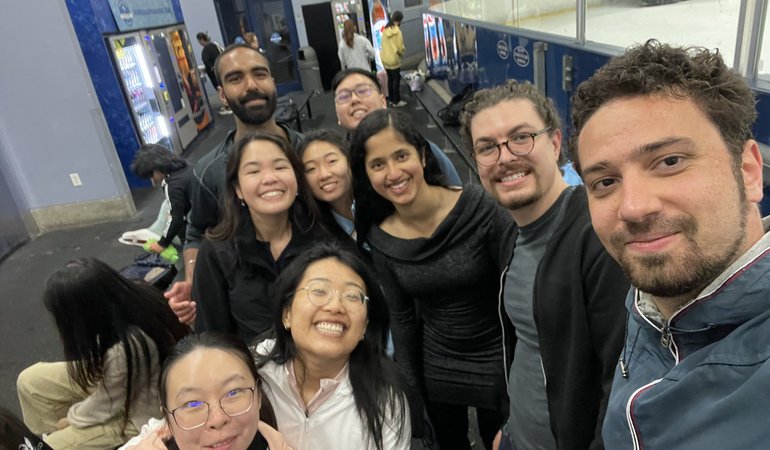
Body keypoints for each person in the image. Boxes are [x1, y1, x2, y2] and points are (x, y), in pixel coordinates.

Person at [569, 39, 770, 449]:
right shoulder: (652, 300)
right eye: (605, 181)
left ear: (748, 171)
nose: (634, 208)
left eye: (670, 161)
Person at [459, 80, 629, 449]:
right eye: (487, 147)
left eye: (521, 137)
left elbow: (620, 382)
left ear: (555, 144)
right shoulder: (510, 231)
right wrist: (509, 423)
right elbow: (524, 346)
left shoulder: (596, 237)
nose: (504, 157)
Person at [350, 109, 513, 449]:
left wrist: (521, 370)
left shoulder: (479, 208)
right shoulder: (380, 239)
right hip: (437, 362)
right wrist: (412, 396)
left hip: (498, 358)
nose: (393, 172)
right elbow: (403, 319)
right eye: (377, 164)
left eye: (401, 155)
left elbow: (515, 292)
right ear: (366, 174)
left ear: (422, 155)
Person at [166, 44, 305, 326]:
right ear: (222, 95)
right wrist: (194, 277)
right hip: (253, 313)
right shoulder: (208, 171)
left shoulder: (311, 154)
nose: (251, 85)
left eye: (259, 74)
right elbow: (196, 231)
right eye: (235, 78)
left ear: (272, 81)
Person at [16, 258, 189, 450]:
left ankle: (48, 442)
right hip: (119, 382)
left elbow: (106, 406)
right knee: (30, 381)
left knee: (51, 445)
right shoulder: (134, 296)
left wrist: (71, 419)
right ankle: (48, 435)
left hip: (138, 413)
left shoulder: (127, 347)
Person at [254, 241, 410, 449]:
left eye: (352, 296)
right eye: (319, 291)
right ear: (287, 314)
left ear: (364, 327)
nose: (336, 306)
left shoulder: (385, 400)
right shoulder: (253, 373)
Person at [192, 132, 332, 342]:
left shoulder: (323, 238)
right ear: (237, 189)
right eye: (254, 171)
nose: (270, 178)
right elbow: (213, 339)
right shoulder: (216, 253)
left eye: (280, 167)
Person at [118, 333, 290, 450]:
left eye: (233, 392)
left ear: (258, 395)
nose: (218, 419)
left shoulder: (272, 442)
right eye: (193, 403)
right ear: (167, 418)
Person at [331, 68, 462, 186]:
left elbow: (455, 195)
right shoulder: (337, 166)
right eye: (343, 96)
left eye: (363, 90)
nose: (354, 99)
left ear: (383, 101)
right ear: (337, 115)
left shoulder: (419, 147)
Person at [131, 144, 194, 254]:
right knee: (167, 206)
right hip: (210, 211)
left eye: (151, 175)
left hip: (201, 229)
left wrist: (162, 244)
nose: (153, 180)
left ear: (157, 168)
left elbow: (176, 218)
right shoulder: (186, 166)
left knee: (170, 214)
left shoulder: (172, 185)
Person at [297, 130, 355, 238]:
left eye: (331, 161)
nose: (324, 175)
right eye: (311, 169)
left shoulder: (382, 202)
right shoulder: (308, 230)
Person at [195, 32, 230, 116]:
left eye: (199, 41)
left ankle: (227, 107)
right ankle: (229, 105)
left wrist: (207, 69)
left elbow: (207, 63)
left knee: (220, 89)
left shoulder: (206, 50)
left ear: (201, 40)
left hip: (214, 74)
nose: (199, 43)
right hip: (222, 71)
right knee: (225, 87)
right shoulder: (215, 45)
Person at [380, 11, 406, 107]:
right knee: (396, 80)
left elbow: (382, 45)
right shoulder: (398, 32)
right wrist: (402, 52)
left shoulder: (385, 30)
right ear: (399, 20)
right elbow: (400, 47)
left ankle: (391, 100)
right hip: (394, 59)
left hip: (385, 59)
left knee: (390, 80)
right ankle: (397, 101)